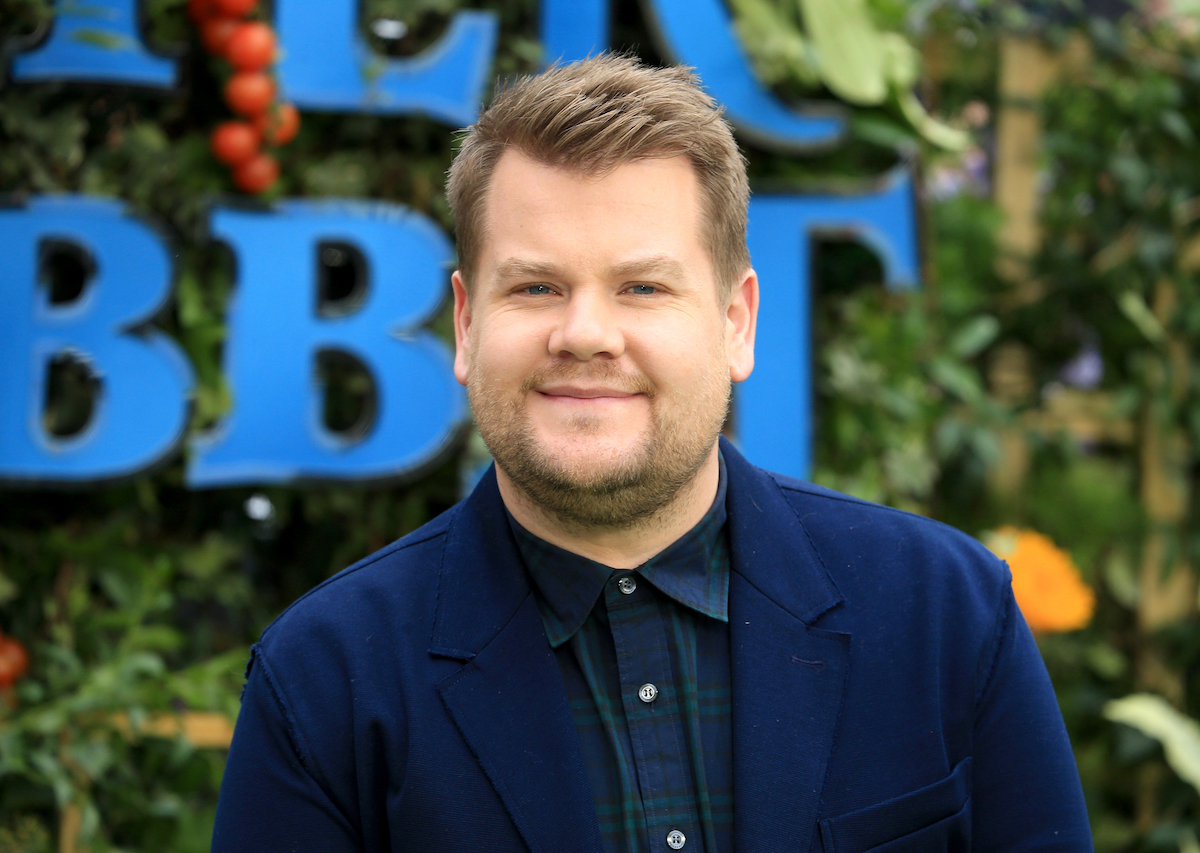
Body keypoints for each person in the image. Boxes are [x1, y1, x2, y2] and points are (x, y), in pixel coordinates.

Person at [212, 54, 1092, 852]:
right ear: (467, 324)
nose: (585, 333)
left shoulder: (947, 614)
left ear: (737, 320)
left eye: (642, 286)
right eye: (535, 286)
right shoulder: (325, 681)